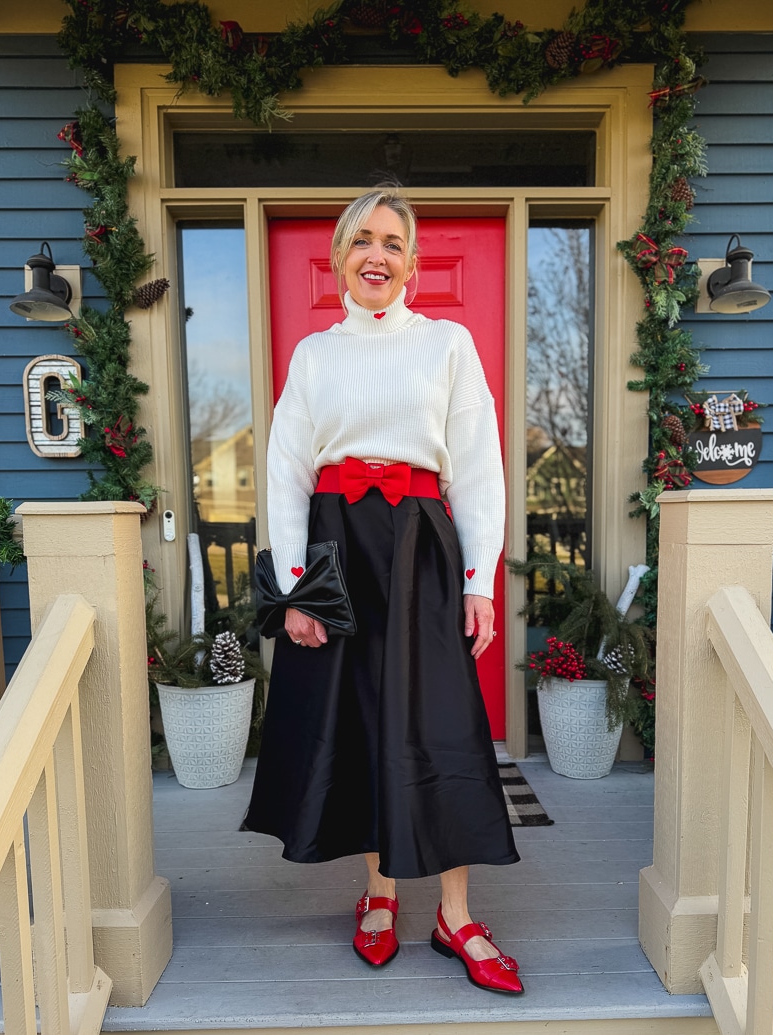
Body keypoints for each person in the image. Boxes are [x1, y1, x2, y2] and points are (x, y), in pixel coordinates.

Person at [243, 186, 523, 995]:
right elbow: (287, 472)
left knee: (443, 725)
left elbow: (476, 466)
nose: (377, 255)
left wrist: (480, 578)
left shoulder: (448, 344)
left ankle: (456, 912)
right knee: (365, 721)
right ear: (338, 256)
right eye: (362, 240)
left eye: (393, 243)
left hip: (422, 551)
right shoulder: (314, 356)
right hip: (339, 552)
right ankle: (380, 891)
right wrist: (295, 587)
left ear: (412, 263)